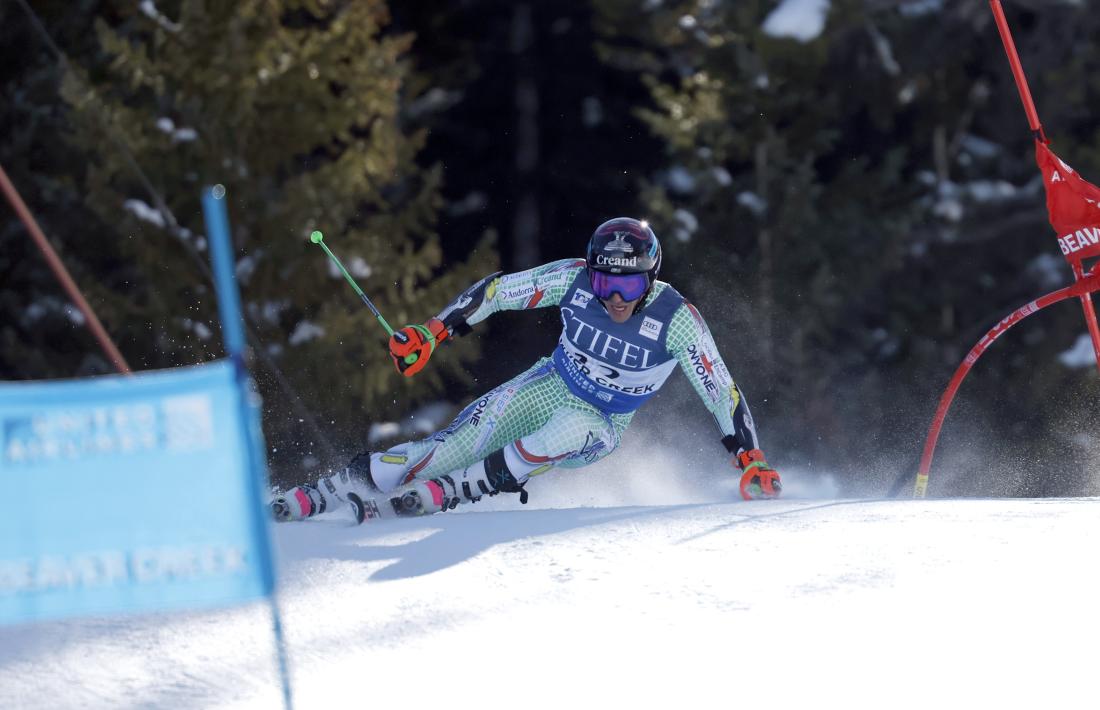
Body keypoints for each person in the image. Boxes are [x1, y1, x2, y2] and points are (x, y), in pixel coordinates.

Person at [273, 217, 781, 523]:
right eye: (605, 285)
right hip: (547, 385)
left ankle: (456, 491)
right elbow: (498, 292)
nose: (616, 299)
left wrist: (749, 458)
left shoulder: (677, 320)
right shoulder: (573, 279)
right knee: (443, 449)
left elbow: (721, 391)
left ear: (651, 279)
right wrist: (434, 331)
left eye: (628, 288)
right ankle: (326, 493)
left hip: (600, 425)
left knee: (567, 428)